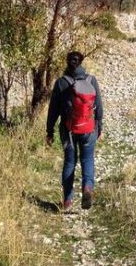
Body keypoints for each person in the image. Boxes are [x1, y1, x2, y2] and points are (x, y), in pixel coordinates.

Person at [46, 51, 103, 210]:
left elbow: (53, 110)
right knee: (87, 159)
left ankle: (68, 201)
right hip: (89, 129)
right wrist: (100, 127)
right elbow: (99, 106)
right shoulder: (91, 80)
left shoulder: (61, 82)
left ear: (67, 62)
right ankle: (87, 188)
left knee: (70, 162)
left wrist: (49, 131)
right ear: (82, 62)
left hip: (68, 130)